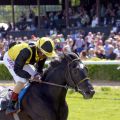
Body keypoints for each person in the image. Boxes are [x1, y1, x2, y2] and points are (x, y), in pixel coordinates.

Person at [3, 37, 56, 115]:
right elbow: (17, 69)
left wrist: (38, 75)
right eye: (43, 54)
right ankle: (11, 105)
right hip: (10, 58)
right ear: (38, 49)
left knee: (36, 75)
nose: (44, 56)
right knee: (22, 81)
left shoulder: (43, 55)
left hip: (22, 61)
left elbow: (39, 69)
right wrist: (30, 77)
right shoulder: (26, 51)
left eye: (46, 55)